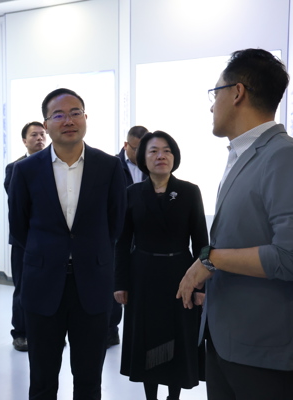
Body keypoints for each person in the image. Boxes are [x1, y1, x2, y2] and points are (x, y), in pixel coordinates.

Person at [177, 48, 293, 400]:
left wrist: (210, 259)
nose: (212, 106)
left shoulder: (285, 155)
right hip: (230, 344)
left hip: (267, 356)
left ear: (237, 92)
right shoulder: (245, 154)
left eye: (215, 93)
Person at [8, 88, 127, 399]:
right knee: (42, 379)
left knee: (89, 379)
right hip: (43, 284)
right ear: (46, 124)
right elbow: (19, 227)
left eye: (75, 113)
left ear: (85, 118)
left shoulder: (109, 166)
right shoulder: (25, 170)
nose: (68, 120)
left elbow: (116, 223)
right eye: (58, 115)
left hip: (93, 284)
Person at [115, 131, 208, 400]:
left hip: (181, 274)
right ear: (143, 158)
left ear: (174, 156)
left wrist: (200, 286)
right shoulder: (132, 193)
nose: (161, 156)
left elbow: (201, 241)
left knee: (177, 334)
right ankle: (151, 396)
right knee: (149, 336)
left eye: (167, 150)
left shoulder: (189, 191)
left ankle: (174, 396)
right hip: (142, 274)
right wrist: (120, 283)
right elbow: (122, 242)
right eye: (153, 151)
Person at [3, 121, 46, 352]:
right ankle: (20, 333)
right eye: (34, 135)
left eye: (42, 134)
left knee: (48, 287)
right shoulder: (15, 168)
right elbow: (18, 205)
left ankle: (45, 332)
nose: (40, 138)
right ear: (24, 140)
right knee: (23, 287)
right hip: (24, 239)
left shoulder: (54, 165)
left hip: (49, 239)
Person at [108, 124, 149, 349]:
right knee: (115, 283)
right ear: (126, 145)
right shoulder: (112, 166)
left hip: (143, 234)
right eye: (136, 149)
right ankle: (110, 330)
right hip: (116, 235)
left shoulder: (152, 164)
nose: (141, 153)